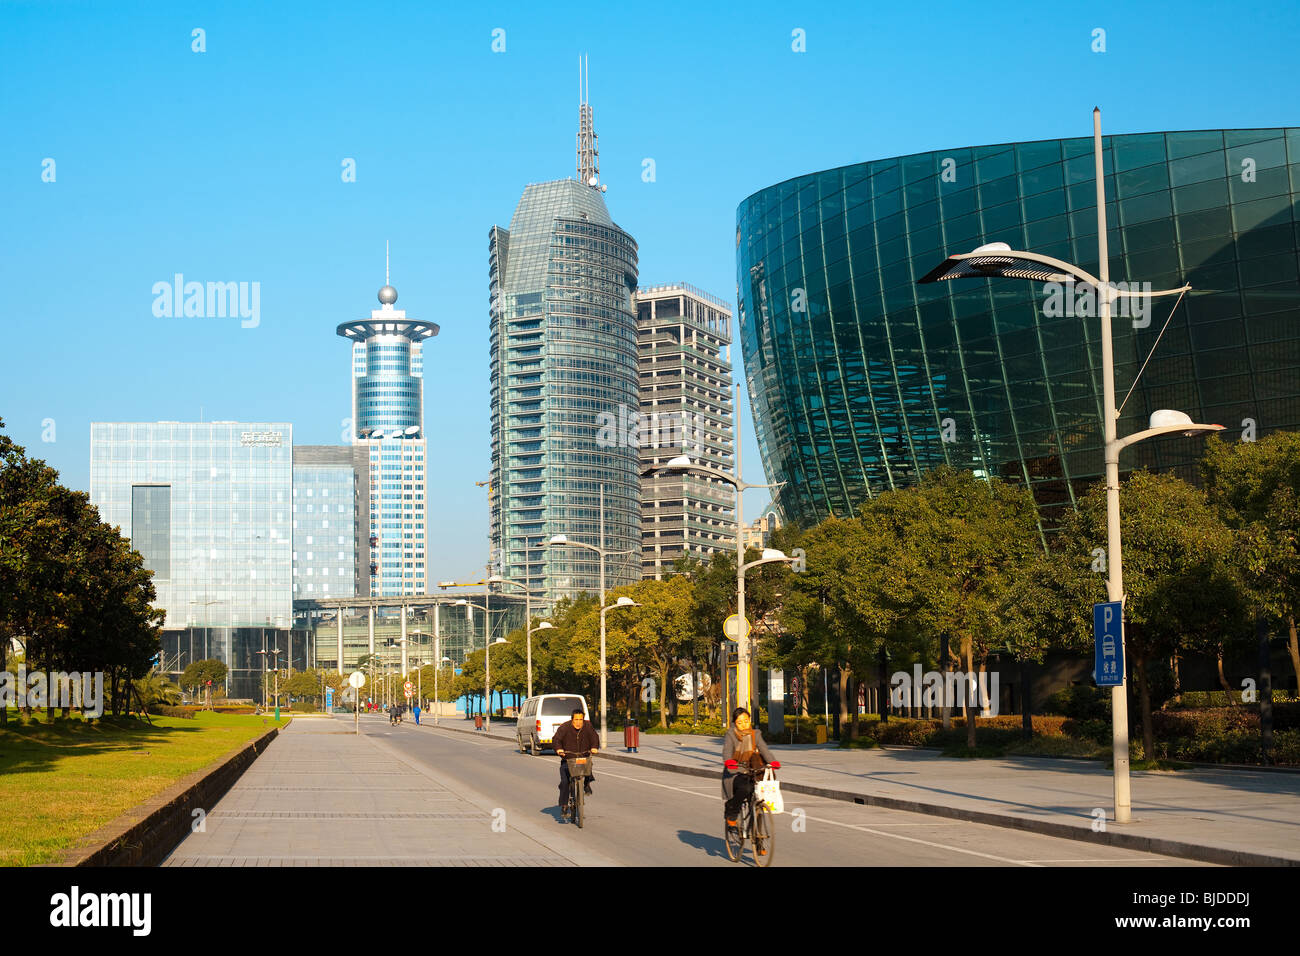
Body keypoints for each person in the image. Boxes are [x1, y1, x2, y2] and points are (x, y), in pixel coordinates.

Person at [722, 707, 780, 829]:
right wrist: (729, 761)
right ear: (735, 723)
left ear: (750, 720)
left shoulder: (755, 734)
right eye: (740, 722)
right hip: (735, 771)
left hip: (752, 770)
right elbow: (727, 751)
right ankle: (732, 810)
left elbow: (764, 750)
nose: (743, 724)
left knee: (756, 801)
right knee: (746, 787)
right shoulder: (731, 735)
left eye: (746, 721)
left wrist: (773, 761)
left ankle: (758, 843)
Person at [553, 707, 599, 818]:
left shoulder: (588, 726)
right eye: (576, 720)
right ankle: (564, 806)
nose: (578, 722)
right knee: (565, 782)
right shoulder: (564, 727)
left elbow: (594, 737)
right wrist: (559, 749)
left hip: (583, 757)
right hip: (568, 759)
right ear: (572, 719)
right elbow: (556, 740)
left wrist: (594, 747)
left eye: (580, 720)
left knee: (588, 766)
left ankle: (586, 784)